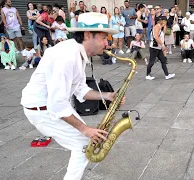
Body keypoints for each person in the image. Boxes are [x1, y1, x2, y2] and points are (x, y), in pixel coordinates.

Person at [20, 13, 124, 180]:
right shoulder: (66, 56)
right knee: (84, 145)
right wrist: (85, 129)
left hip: (51, 106)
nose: (107, 43)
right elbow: (57, 104)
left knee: (84, 144)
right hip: (42, 109)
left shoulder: (77, 52)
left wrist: (108, 96)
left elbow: (81, 90)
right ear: (88, 35)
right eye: (104, 37)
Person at [146, 16, 175, 80]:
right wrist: (162, 45)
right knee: (151, 61)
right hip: (154, 47)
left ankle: (167, 74)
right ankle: (147, 74)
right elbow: (156, 37)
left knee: (163, 60)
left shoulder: (160, 27)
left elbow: (162, 35)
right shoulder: (157, 27)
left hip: (158, 48)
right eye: (165, 22)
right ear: (163, 21)